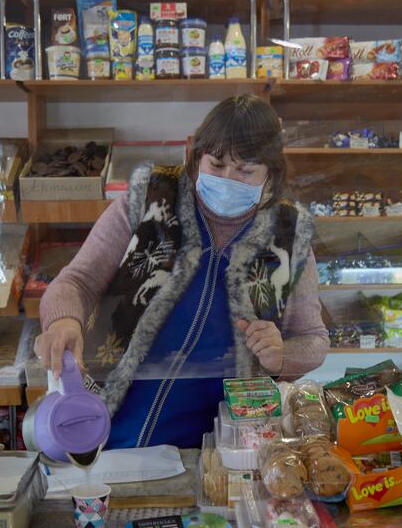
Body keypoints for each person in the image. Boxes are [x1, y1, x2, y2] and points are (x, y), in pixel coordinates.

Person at [35, 94, 329, 449]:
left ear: (271, 176)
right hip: (113, 422)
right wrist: (64, 321)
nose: (228, 179)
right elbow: (77, 280)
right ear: (196, 158)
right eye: (216, 165)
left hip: (223, 442)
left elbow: (314, 338)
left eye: (246, 170)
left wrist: (282, 355)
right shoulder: (149, 200)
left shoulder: (289, 235)